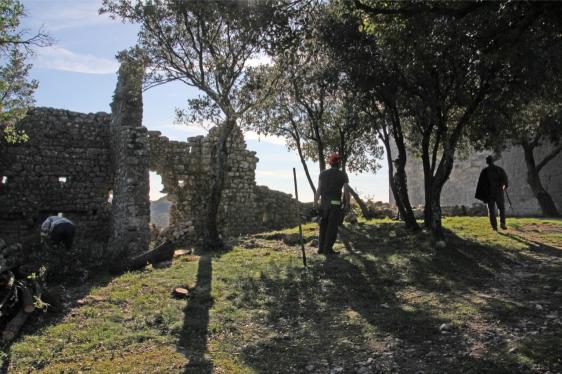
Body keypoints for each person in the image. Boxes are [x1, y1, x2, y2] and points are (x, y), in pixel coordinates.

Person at [314, 153, 350, 255]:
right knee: (332, 227)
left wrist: (315, 201)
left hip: (324, 205)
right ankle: (328, 249)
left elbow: (319, 189)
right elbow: (346, 191)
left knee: (323, 226)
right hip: (335, 206)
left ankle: (321, 248)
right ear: (339, 163)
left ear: (330, 163)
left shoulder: (323, 174)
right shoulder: (342, 174)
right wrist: (347, 203)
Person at [475, 155, 509, 230]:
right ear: (493, 161)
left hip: (489, 194)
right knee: (501, 208)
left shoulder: (485, 171)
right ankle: (502, 224)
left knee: (491, 210)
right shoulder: (499, 169)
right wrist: (504, 187)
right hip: (498, 193)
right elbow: (505, 181)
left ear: (487, 162)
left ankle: (494, 226)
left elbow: (481, 184)